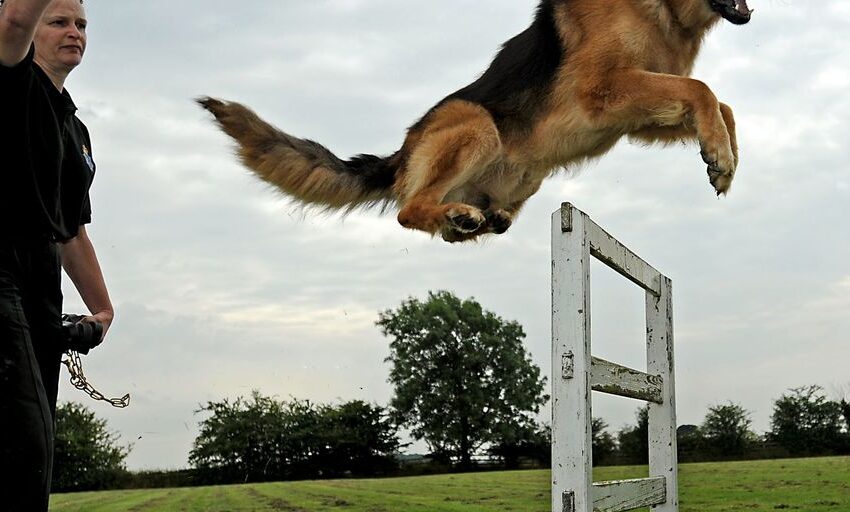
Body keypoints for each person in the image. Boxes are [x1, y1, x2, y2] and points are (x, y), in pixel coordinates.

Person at [0, 0, 114, 509]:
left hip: (41, 277)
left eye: (81, 24)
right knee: (24, 441)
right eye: (60, 21)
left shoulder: (76, 130)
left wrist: (105, 311)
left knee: (39, 440)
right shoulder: (12, 79)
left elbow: (72, 233)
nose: (74, 33)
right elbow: (12, 22)